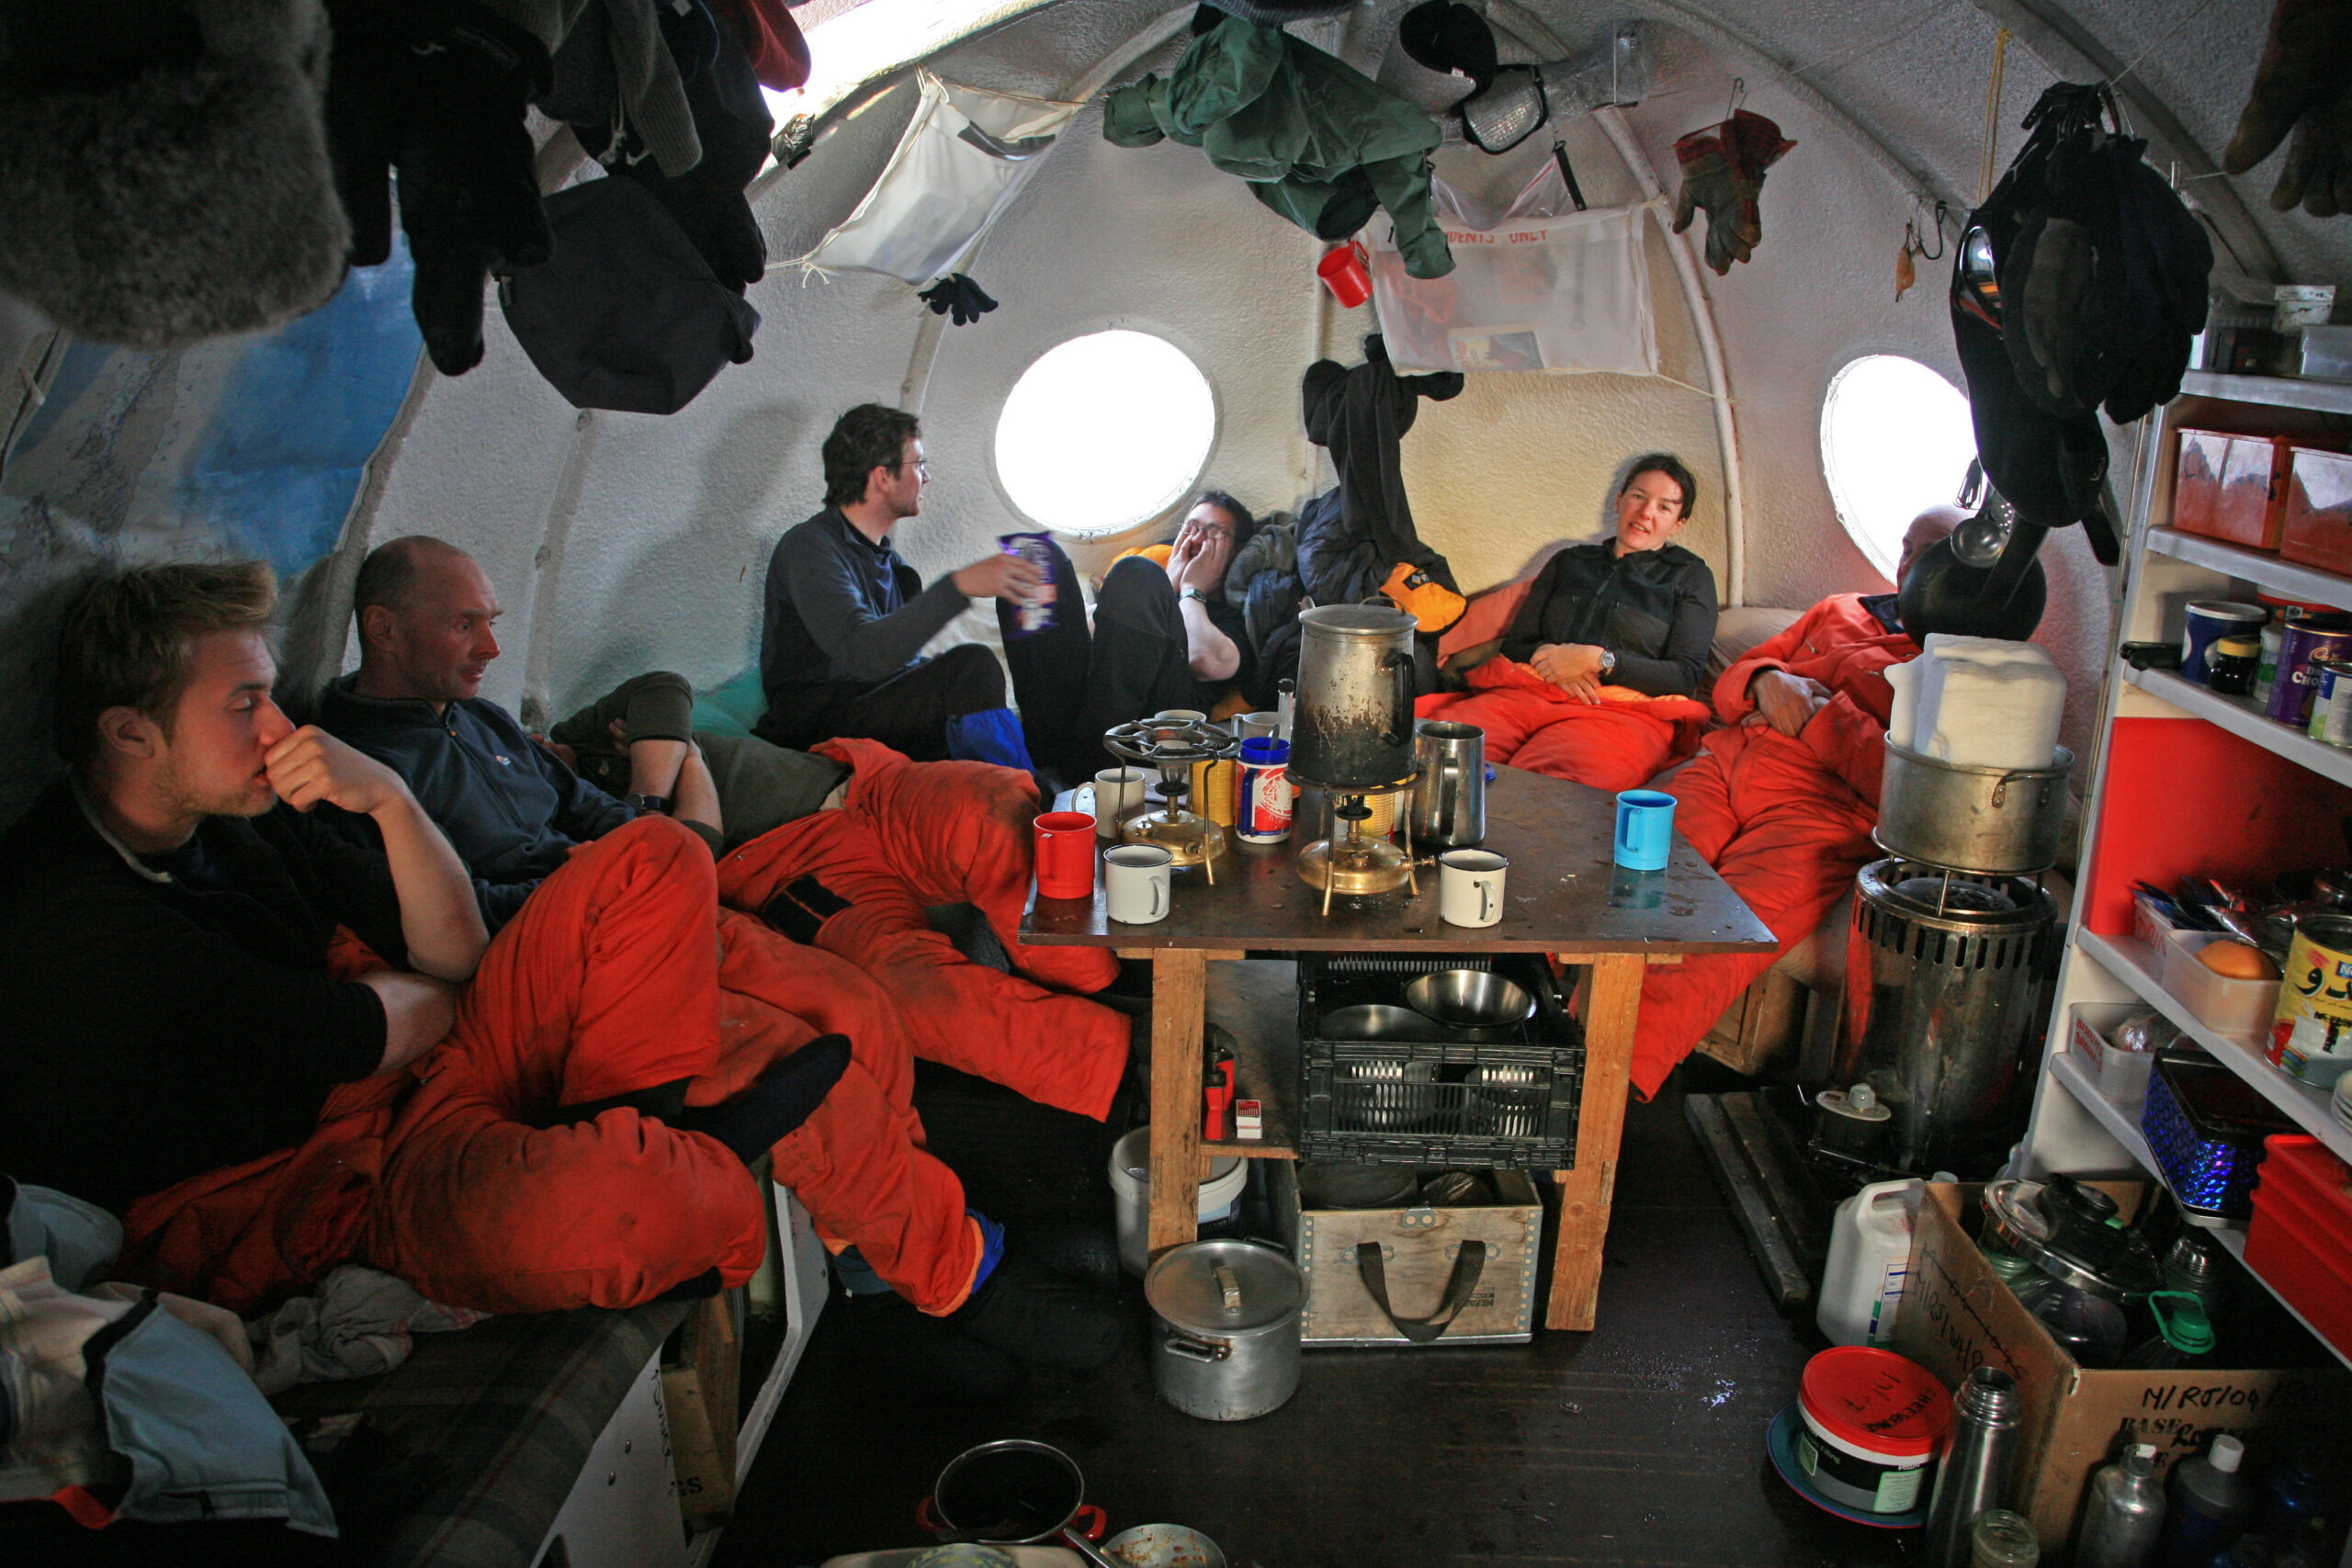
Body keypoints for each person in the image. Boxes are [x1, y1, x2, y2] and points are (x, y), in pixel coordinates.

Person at [318, 537, 1128, 1382]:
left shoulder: (479, 722)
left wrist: (638, 834)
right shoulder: (350, 768)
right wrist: (607, 875)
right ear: (382, 627)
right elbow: (442, 938)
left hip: (651, 902)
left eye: (493, 622)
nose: (490, 647)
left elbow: (596, 812)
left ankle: (883, 1256)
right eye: (464, 626)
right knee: (810, 1070)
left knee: (851, 1009)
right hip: (553, 960)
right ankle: (957, 1277)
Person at [0, 561, 834, 1318]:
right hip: (323, 1174)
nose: (279, 727)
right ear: (130, 732)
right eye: (244, 703)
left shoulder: (232, 817)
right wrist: (412, 1000)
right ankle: (647, 1156)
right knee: (663, 1208)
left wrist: (393, 800)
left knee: (662, 853)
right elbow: (356, 1032)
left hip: (419, 1065)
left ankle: (626, 1124)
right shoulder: (72, 922)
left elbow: (454, 951)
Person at [1626, 506, 1963, 1097]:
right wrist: (1765, 680)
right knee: (1631, 874)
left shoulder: (1961, 669)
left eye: (1931, 553)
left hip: (1819, 812)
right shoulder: (1840, 609)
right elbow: (1735, 687)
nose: (1911, 563)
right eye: (1907, 546)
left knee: (1719, 933)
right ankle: (1552, 1032)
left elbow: (1915, 794)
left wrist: (1823, 717)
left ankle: (1600, 1091)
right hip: (1731, 759)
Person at [1414, 455, 1720, 793]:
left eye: (1665, 507)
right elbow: (1516, 644)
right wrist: (1552, 656)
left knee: (1557, 792)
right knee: (1435, 756)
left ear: (1678, 523)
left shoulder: (1691, 577)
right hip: (1527, 692)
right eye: (1639, 496)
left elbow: (1685, 674)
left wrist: (1598, 660)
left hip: (1621, 713)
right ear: (1620, 500)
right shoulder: (1570, 561)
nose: (1646, 512)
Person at [757, 403, 1042, 764]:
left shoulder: (893, 565)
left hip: (872, 704)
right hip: (818, 722)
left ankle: (1020, 784)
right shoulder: (809, 547)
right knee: (971, 667)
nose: (926, 477)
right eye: (919, 465)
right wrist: (957, 586)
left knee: (969, 680)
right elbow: (861, 654)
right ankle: (1024, 802)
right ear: (883, 477)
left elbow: (899, 665)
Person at [1001, 491, 1266, 784]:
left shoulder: (1233, 612)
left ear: (1234, 550)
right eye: (1191, 527)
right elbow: (1088, 631)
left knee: (1137, 571)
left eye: (1215, 533)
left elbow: (1206, 661)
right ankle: (1045, 749)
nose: (1197, 538)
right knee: (1035, 558)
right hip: (1081, 710)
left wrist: (1192, 590)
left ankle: (1101, 754)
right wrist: (1170, 583)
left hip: (1155, 721)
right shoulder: (1150, 586)